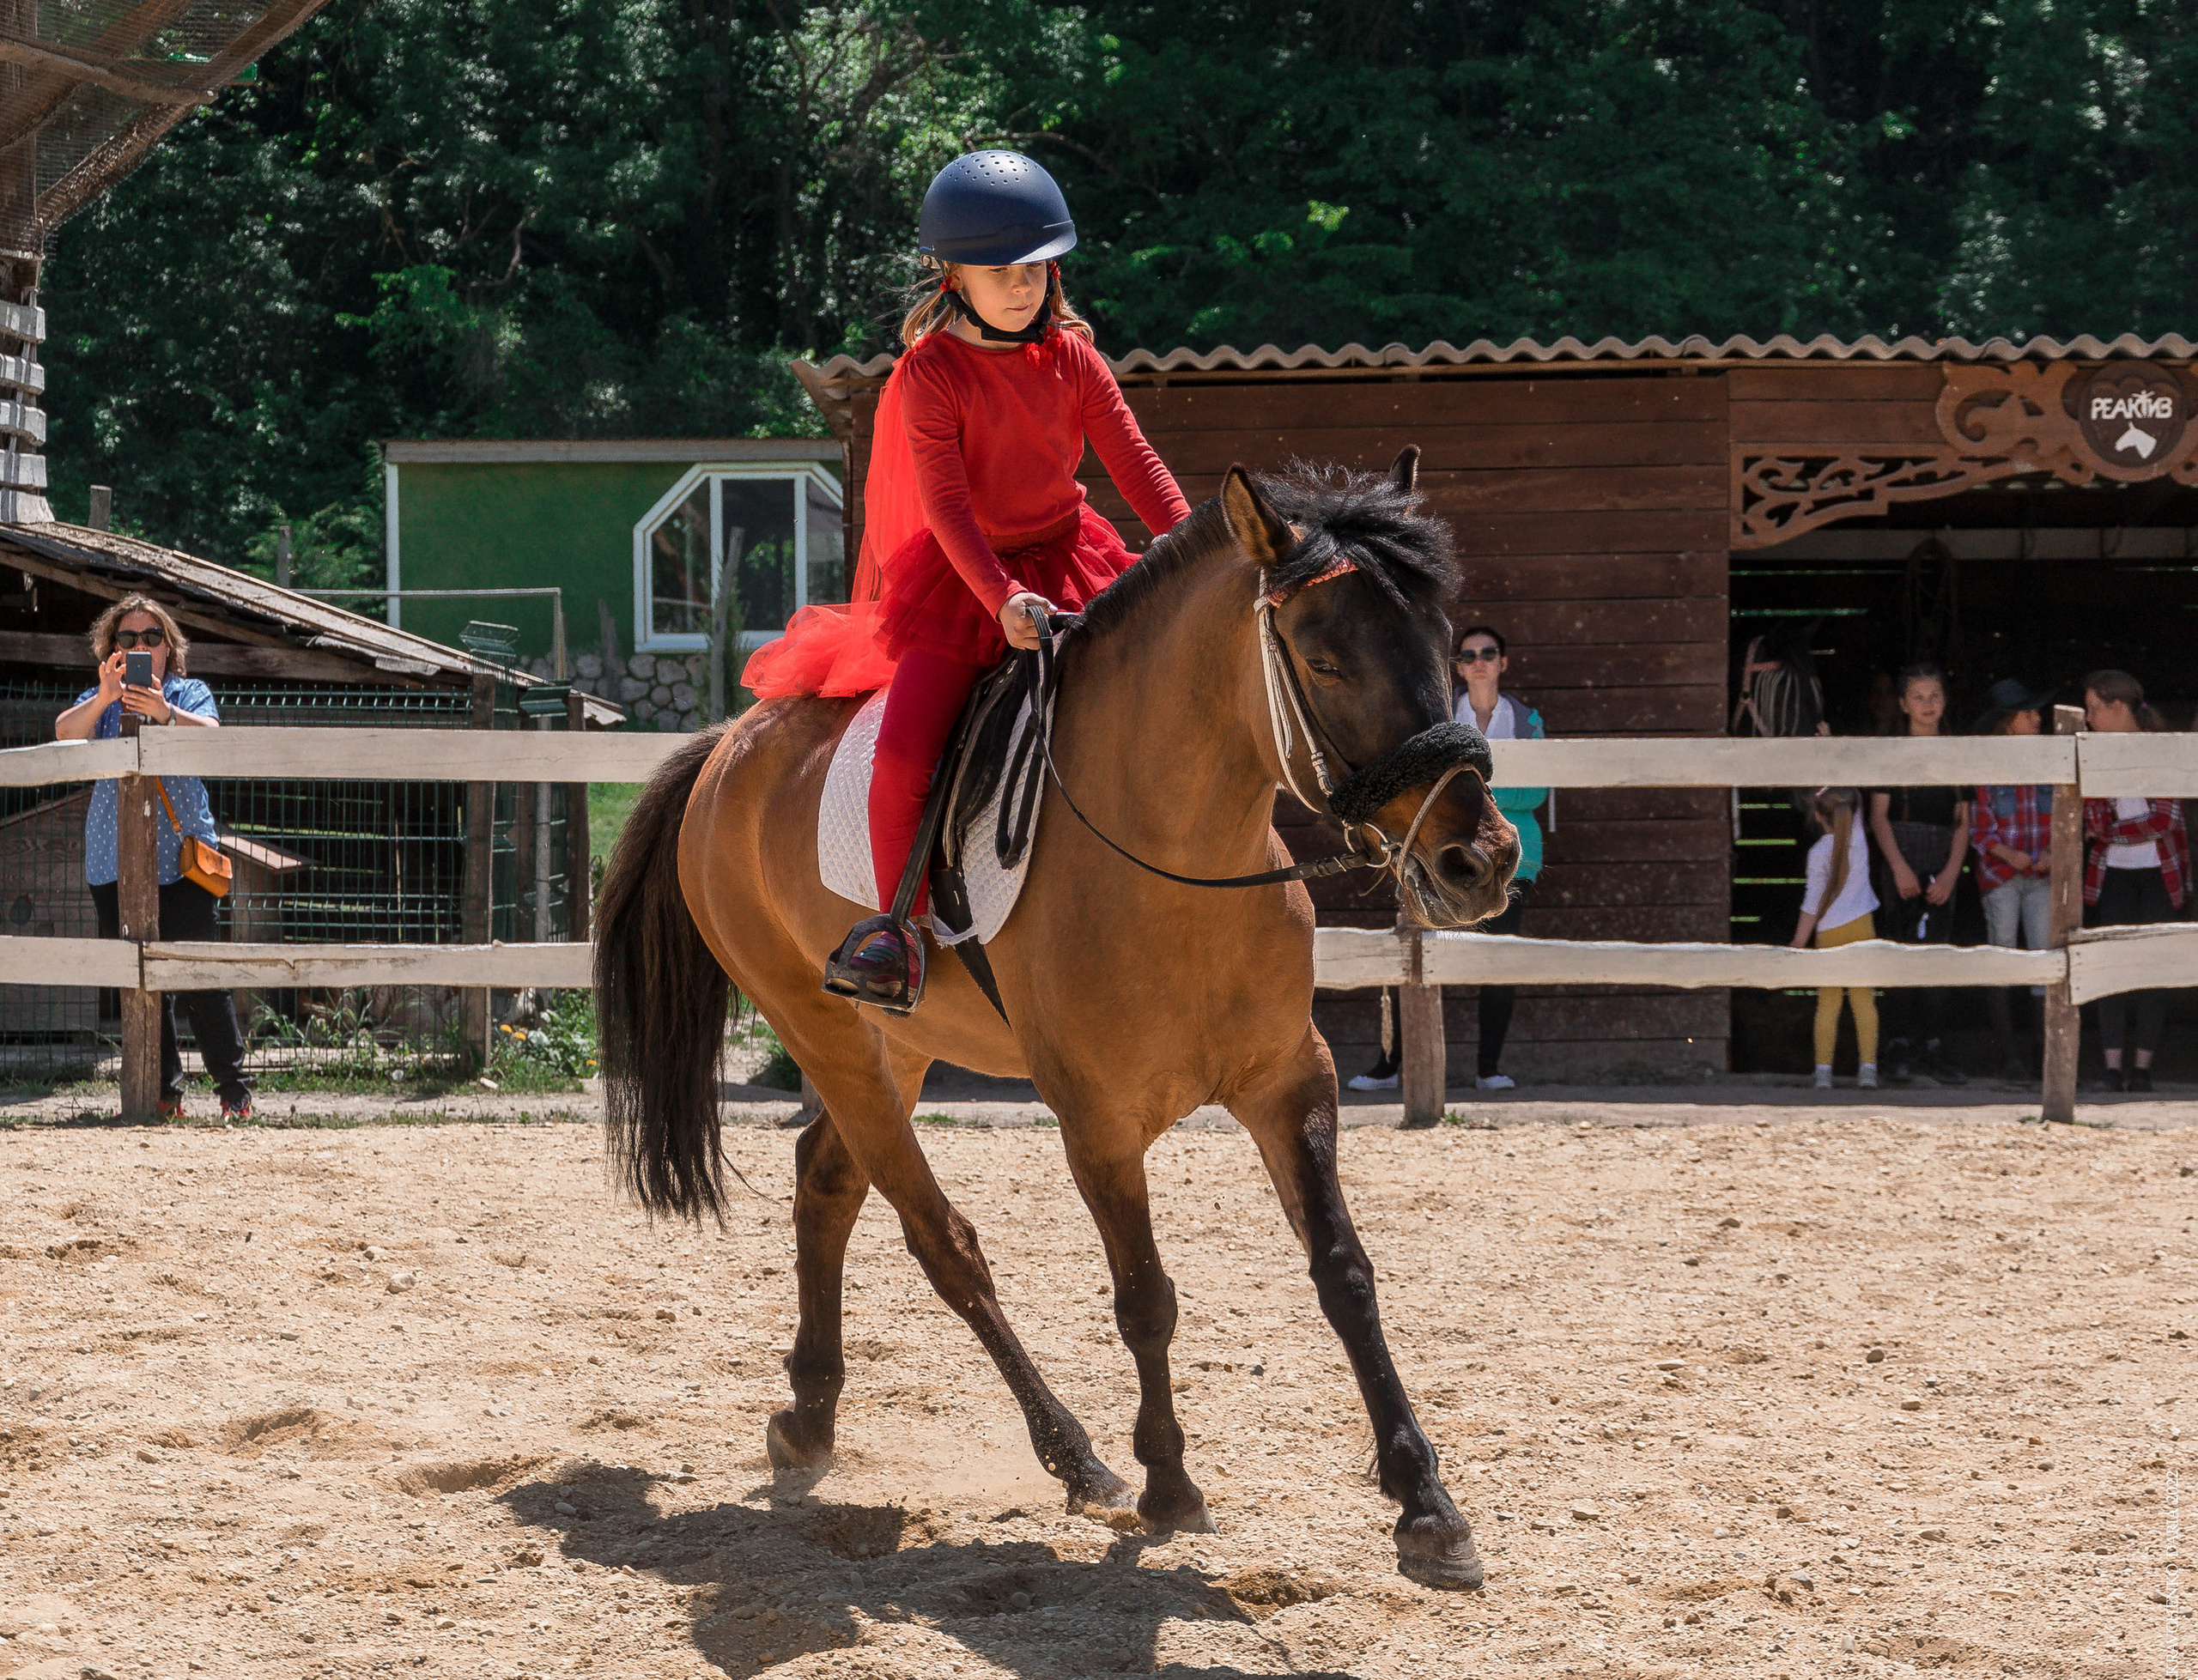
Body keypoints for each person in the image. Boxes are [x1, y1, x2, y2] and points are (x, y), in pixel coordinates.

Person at [742, 150, 1188, 1012]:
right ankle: (893, 932)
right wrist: (1000, 601)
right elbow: (946, 509)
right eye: (997, 271)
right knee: (906, 747)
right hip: (967, 579)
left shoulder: (1074, 360)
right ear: (952, 274)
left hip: (1071, 558)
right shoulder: (930, 373)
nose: (1021, 286)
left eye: (1034, 267)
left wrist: (1204, 541)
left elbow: (1136, 463)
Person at [53, 595, 252, 1121]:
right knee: (140, 981)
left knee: (197, 974)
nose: (140, 646)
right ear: (111, 648)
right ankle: (162, 1095)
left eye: (150, 638)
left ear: (169, 646)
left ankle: (234, 1091)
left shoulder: (190, 693)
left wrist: (164, 713)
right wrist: (104, 697)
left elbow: (213, 738)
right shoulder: (100, 701)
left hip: (183, 860)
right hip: (113, 858)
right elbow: (64, 733)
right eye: (127, 639)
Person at [1347, 625, 1546, 1093]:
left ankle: (1488, 1068)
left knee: (1497, 960)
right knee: (1411, 950)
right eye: (1469, 655)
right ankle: (1392, 1065)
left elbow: (1536, 792)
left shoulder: (1527, 719)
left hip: (1510, 856)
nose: (1478, 661)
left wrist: (1462, 796)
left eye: (1489, 653)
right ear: (1457, 666)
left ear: (1503, 663)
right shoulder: (1434, 721)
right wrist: (1491, 796)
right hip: (1436, 846)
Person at [2081, 670, 2187, 1093]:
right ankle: (2111, 1068)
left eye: (2093, 708)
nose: (2087, 718)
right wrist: (2117, 830)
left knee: (2152, 969)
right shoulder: (2091, 751)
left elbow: (2167, 818)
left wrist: (2111, 832)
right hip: (2114, 876)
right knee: (2111, 968)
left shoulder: (2162, 749)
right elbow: (2091, 814)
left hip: (2161, 874)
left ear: (2116, 708)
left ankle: (2142, 1068)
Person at [1866, 663, 1970, 1084]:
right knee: (1898, 951)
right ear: (1905, 704)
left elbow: (1964, 820)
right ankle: (1897, 1045)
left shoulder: (1958, 753)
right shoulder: (1891, 752)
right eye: (1920, 698)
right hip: (1901, 857)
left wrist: (1949, 874)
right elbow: (1878, 817)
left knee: (1939, 955)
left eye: (1936, 697)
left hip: (1942, 857)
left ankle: (1934, 1045)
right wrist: (1899, 869)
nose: (1929, 706)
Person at [1970, 679, 2055, 1080]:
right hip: (2003, 875)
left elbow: (2065, 820)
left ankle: (2042, 1055)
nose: (2037, 719)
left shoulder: (2049, 760)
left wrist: (2054, 855)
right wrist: (2013, 856)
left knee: (2042, 962)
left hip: (2041, 874)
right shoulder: (1987, 766)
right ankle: (2010, 1057)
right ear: (2007, 724)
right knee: (2002, 960)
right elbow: (1981, 830)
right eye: (2028, 714)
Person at [1789, 786, 1879, 1089]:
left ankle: (1823, 1073)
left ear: (1817, 815)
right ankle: (1868, 1070)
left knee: (1827, 1005)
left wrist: (1798, 944)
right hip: (1862, 926)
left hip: (1829, 931)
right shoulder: (1859, 839)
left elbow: (1811, 904)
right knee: (1864, 1001)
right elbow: (1853, 792)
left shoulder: (1817, 854)